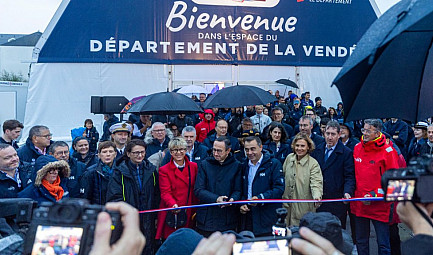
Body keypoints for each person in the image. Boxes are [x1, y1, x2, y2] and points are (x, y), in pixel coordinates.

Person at [351, 119, 399, 255]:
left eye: (368, 130)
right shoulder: (357, 148)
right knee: (361, 241)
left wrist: (374, 195)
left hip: (380, 205)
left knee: (383, 243)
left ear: (377, 132)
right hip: (360, 203)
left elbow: (393, 180)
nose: (364, 133)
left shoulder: (388, 151)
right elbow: (353, 175)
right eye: (363, 130)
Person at [106, 139, 160, 255]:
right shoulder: (119, 172)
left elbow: (156, 195)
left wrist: (155, 216)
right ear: (128, 153)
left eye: (142, 152)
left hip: (148, 217)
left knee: (147, 246)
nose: (140, 155)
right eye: (136, 153)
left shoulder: (151, 170)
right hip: (129, 218)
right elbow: (114, 197)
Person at [194, 136, 241, 237]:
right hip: (206, 220)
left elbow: (238, 190)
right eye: (214, 150)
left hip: (228, 219)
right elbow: (198, 190)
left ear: (228, 151)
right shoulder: (205, 164)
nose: (215, 153)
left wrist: (232, 199)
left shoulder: (236, 165)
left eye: (219, 151)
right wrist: (216, 199)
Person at [311, 121, 355, 228]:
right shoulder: (318, 149)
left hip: (336, 199)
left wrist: (347, 192)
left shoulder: (346, 152)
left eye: (333, 134)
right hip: (320, 198)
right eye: (328, 133)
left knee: (336, 232)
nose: (330, 137)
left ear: (339, 135)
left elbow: (349, 176)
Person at [239, 136, 285, 236]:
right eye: (246, 149)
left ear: (261, 147)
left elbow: (279, 188)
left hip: (267, 217)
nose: (249, 153)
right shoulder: (243, 165)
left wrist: (261, 198)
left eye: (253, 149)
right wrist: (241, 203)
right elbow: (241, 188)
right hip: (248, 217)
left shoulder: (274, 164)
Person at [156, 137, 198, 240]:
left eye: (181, 149)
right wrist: (173, 205)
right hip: (172, 211)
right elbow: (165, 192)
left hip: (188, 209)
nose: (178, 152)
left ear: (185, 150)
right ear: (170, 152)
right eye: (175, 150)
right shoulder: (164, 170)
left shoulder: (194, 166)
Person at [282, 134, 323, 226]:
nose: (299, 148)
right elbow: (283, 175)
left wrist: (317, 196)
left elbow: (316, 183)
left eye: (302, 146)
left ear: (308, 147)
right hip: (286, 205)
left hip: (303, 208)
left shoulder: (313, 164)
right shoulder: (289, 158)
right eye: (297, 145)